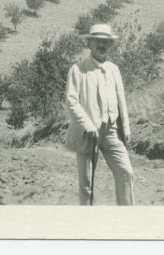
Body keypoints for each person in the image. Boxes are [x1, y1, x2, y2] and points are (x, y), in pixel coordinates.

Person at [64, 23, 134, 205]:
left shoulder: (114, 69)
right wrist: (87, 125)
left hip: (112, 131)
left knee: (125, 172)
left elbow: (121, 100)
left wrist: (125, 128)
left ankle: (128, 217)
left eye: (106, 42)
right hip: (87, 133)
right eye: (98, 41)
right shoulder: (78, 69)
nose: (102, 45)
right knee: (87, 184)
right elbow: (72, 101)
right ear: (89, 43)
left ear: (110, 45)